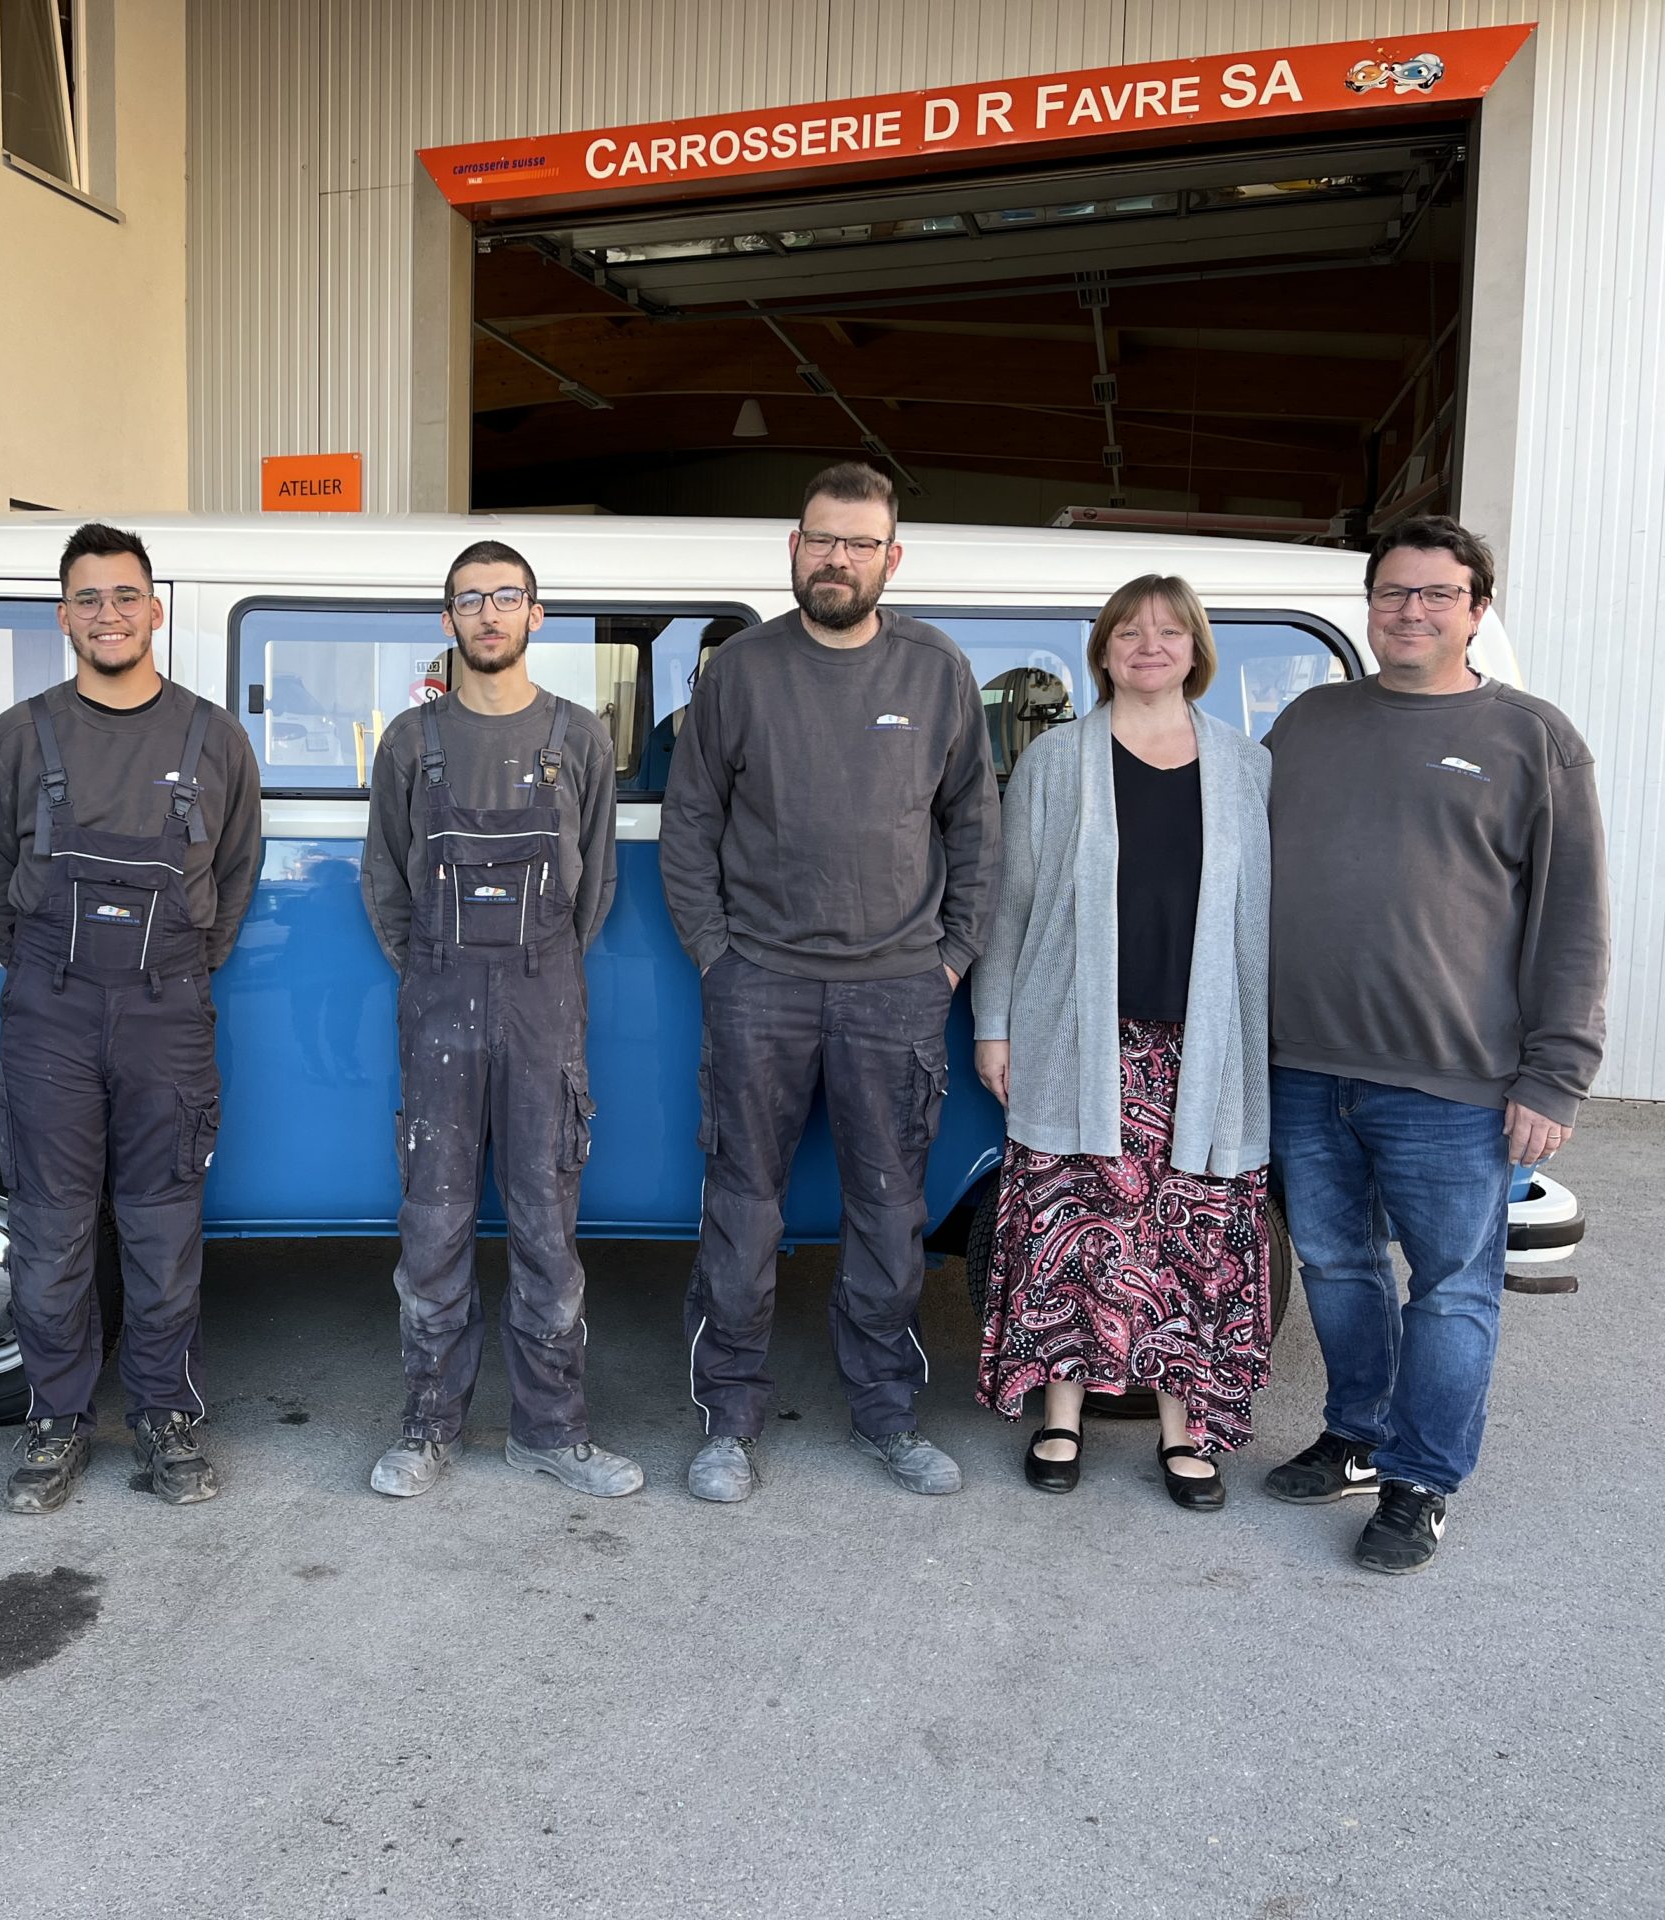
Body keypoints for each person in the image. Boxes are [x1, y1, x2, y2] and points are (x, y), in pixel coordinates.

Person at [1261, 517, 1609, 1575]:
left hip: (1452, 1082)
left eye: (1435, 594)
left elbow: (1572, 918)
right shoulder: (1309, 722)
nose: (1408, 611)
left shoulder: (1529, 738)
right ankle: (1359, 1433)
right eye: (1392, 593)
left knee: (1453, 1287)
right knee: (1334, 1263)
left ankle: (1421, 1481)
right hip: (1304, 1067)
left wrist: (1554, 1074)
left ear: (1475, 609)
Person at [661, 462, 999, 1502]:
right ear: (792, 549)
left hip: (896, 988)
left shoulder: (937, 670)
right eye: (821, 539)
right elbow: (690, 825)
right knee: (741, 1207)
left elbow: (975, 827)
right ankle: (727, 1420)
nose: (836, 558)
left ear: (891, 559)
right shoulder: (742, 671)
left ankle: (887, 1413)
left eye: (858, 543)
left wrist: (948, 956)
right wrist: (717, 955)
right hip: (758, 981)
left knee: (889, 1209)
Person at [0, 524, 263, 1510]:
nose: (109, 614)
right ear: (64, 616)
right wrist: (56, 974)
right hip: (48, 1013)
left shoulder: (213, 736)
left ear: (155, 609)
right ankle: (55, 1422)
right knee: (50, 1232)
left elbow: (234, 873)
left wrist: (171, 976)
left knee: (161, 1226)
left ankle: (164, 1418)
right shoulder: (19, 737)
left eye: (125, 595)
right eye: (88, 598)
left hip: (165, 1017)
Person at [970, 577, 1274, 1509]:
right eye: (1131, 632)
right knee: (1074, 1234)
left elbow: (1257, 922)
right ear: (1103, 651)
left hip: (1202, 1043)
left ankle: (1187, 1432)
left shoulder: (1245, 765)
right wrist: (995, 1025)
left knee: (1194, 1234)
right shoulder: (1058, 761)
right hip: (1076, 1038)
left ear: (1197, 651)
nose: (1151, 644)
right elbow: (1011, 904)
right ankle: (1060, 1415)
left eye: (1170, 631)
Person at [356, 541, 639, 1500]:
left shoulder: (578, 739)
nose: (488, 614)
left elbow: (594, 886)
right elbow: (384, 881)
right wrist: (437, 967)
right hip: (436, 1008)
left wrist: (529, 968)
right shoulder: (410, 740)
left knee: (547, 1228)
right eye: (469, 600)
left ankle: (551, 1433)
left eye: (505, 598)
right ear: (447, 620)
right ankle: (427, 1428)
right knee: (432, 1227)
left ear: (536, 616)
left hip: (541, 1006)